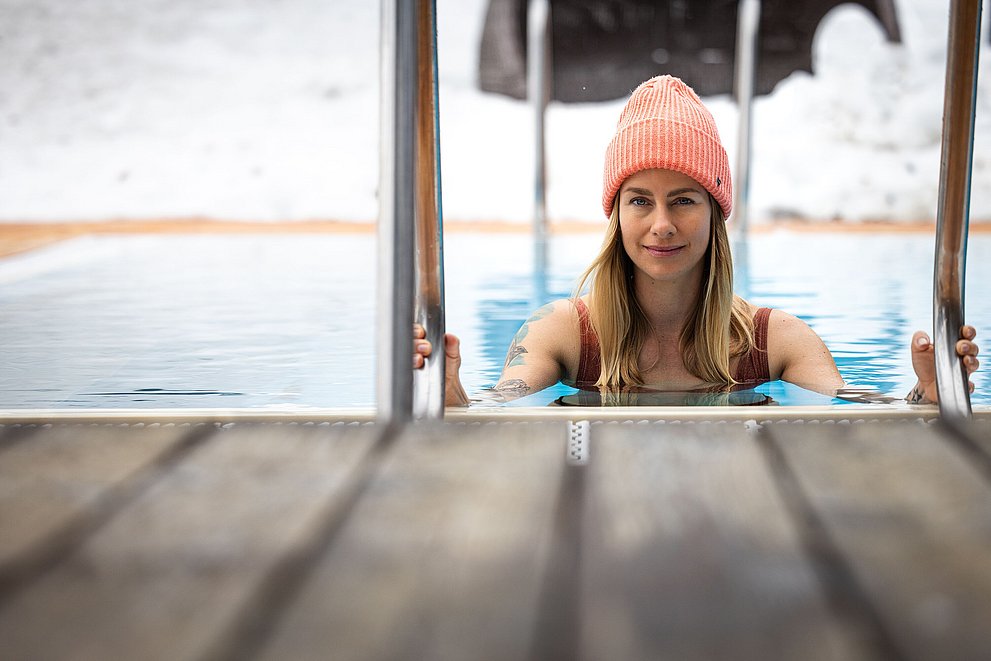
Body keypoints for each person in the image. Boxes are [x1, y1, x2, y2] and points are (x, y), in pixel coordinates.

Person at [413, 75, 980, 407]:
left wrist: (927, 395)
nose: (661, 224)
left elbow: (855, 413)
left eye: (684, 200)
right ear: (616, 215)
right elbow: (498, 409)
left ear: (716, 213)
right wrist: (452, 396)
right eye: (640, 201)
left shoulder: (776, 340)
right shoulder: (563, 331)